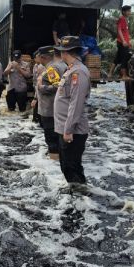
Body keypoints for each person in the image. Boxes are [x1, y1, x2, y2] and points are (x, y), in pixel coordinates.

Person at [54, 36, 91, 186]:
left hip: (72, 131)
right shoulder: (71, 70)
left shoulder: (78, 72)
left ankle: (81, 199)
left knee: (72, 167)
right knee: (67, 166)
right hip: (66, 127)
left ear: (66, 52)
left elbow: (76, 104)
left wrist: (68, 129)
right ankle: (76, 196)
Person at [36, 46, 68, 160]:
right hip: (59, 107)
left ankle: (54, 161)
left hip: (49, 109)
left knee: (51, 138)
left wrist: (41, 87)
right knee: (58, 137)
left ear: (43, 57)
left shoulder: (51, 68)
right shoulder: (62, 65)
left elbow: (56, 86)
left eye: (38, 57)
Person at [108, 5, 133, 80]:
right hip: (122, 42)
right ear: (124, 12)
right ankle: (124, 76)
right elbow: (119, 30)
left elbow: (125, 32)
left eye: (130, 11)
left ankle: (110, 74)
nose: (129, 12)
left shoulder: (125, 19)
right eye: (128, 11)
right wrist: (124, 41)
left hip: (123, 42)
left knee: (117, 58)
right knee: (124, 58)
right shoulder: (121, 19)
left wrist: (128, 41)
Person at [31, 51, 45, 123]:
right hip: (36, 87)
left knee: (38, 104)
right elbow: (35, 79)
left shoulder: (43, 67)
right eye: (37, 57)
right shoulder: (35, 66)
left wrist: (35, 97)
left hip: (40, 88)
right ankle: (36, 120)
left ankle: (38, 120)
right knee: (36, 106)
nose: (38, 58)